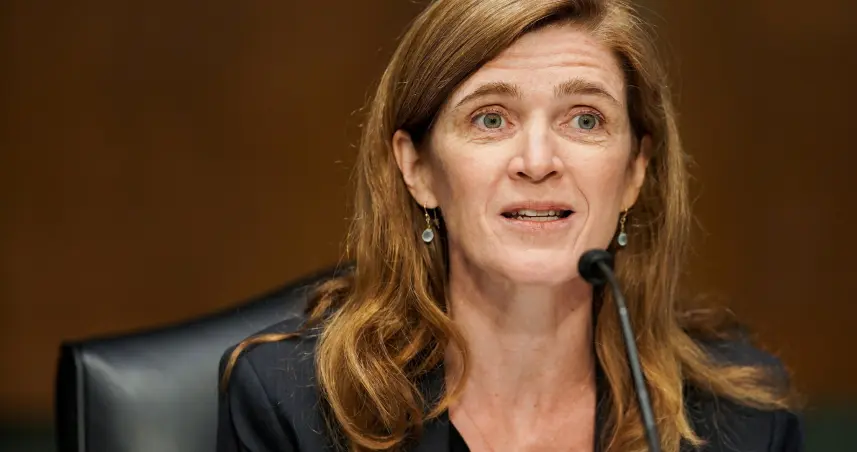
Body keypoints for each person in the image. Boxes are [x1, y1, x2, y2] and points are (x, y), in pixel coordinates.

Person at [216, 0, 803, 451]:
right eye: (491, 118)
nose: (538, 161)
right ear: (417, 169)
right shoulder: (295, 406)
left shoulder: (747, 423)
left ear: (634, 171)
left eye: (585, 119)